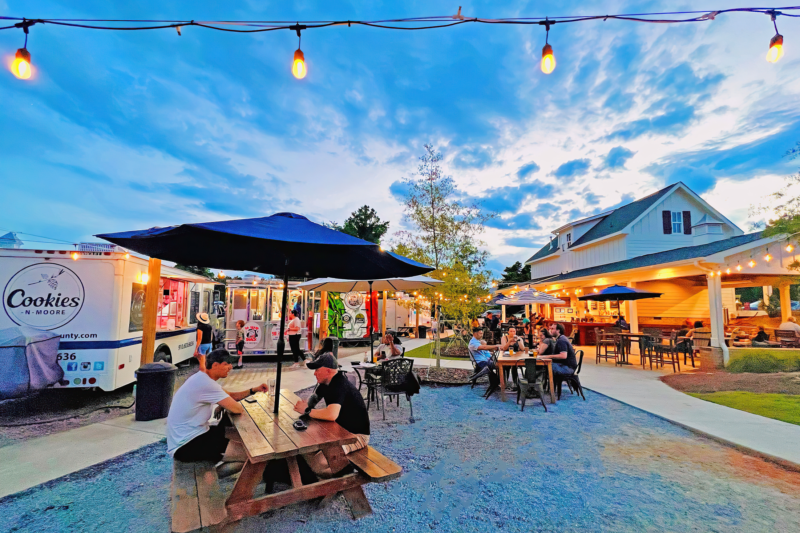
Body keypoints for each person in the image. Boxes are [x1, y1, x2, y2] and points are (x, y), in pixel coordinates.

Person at [167, 349, 268, 467]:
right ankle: (216, 476)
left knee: (242, 440)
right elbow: (237, 409)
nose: (231, 367)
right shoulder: (206, 383)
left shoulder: (202, 378)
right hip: (186, 445)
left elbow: (230, 396)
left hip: (188, 437)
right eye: (227, 364)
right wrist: (224, 404)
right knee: (255, 456)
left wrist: (253, 390)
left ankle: (217, 471)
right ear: (215, 365)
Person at [293, 354, 370, 477]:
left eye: (317, 370)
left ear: (328, 370)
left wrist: (306, 411)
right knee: (306, 448)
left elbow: (331, 414)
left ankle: (344, 477)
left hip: (357, 436)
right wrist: (305, 405)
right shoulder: (325, 383)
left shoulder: (339, 384)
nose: (314, 373)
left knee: (319, 463)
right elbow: (311, 401)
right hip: (340, 432)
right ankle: (330, 476)